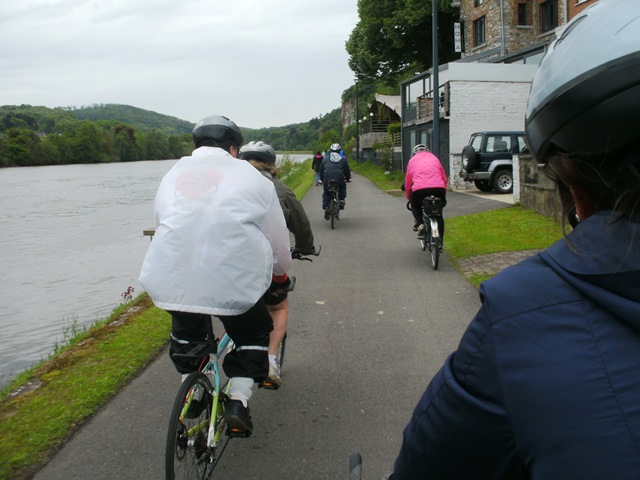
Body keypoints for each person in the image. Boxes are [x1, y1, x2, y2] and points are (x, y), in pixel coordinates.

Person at [391, 1, 640, 478]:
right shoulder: (436, 162)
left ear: (575, 193)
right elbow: (439, 175)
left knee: (420, 209)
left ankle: (426, 229)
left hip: (425, 191)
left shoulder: (523, 313)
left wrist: (411, 200)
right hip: (439, 188)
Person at [138, 115, 291, 437]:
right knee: (253, 332)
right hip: (234, 280)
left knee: (187, 333)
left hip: (170, 275)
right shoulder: (255, 180)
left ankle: (193, 392)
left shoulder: (171, 174)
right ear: (234, 148)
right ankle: (238, 400)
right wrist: (279, 277)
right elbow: (278, 240)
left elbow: (161, 220)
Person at [239, 140, 317, 388]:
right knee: (278, 307)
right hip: (265, 265)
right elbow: (300, 225)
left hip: (226, 263)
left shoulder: (227, 186)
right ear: (271, 164)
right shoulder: (279, 189)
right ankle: (270, 361)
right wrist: (306, 248)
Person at [404, 144, 447, 246]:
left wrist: (409, 196)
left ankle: (420, 224)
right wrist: (444, 191)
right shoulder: (434, 158)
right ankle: (440, 242)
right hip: (438, 188)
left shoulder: (412, 161)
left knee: (415, 206)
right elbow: (443, 177)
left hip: (419, 189)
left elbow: (408, 181)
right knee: (438, 214)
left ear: (414, 153)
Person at [320, 142, 351, 219]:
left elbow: (321, 170)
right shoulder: (343, 159)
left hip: (327, 179)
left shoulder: (325, 159)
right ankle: (341, 200)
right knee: (342, 186)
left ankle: (326, 207)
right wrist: (348, 178)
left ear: (330, 150)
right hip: (339, 178)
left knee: (326, 192)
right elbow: (347, 170)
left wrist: (321, 179)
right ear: (339, 151)